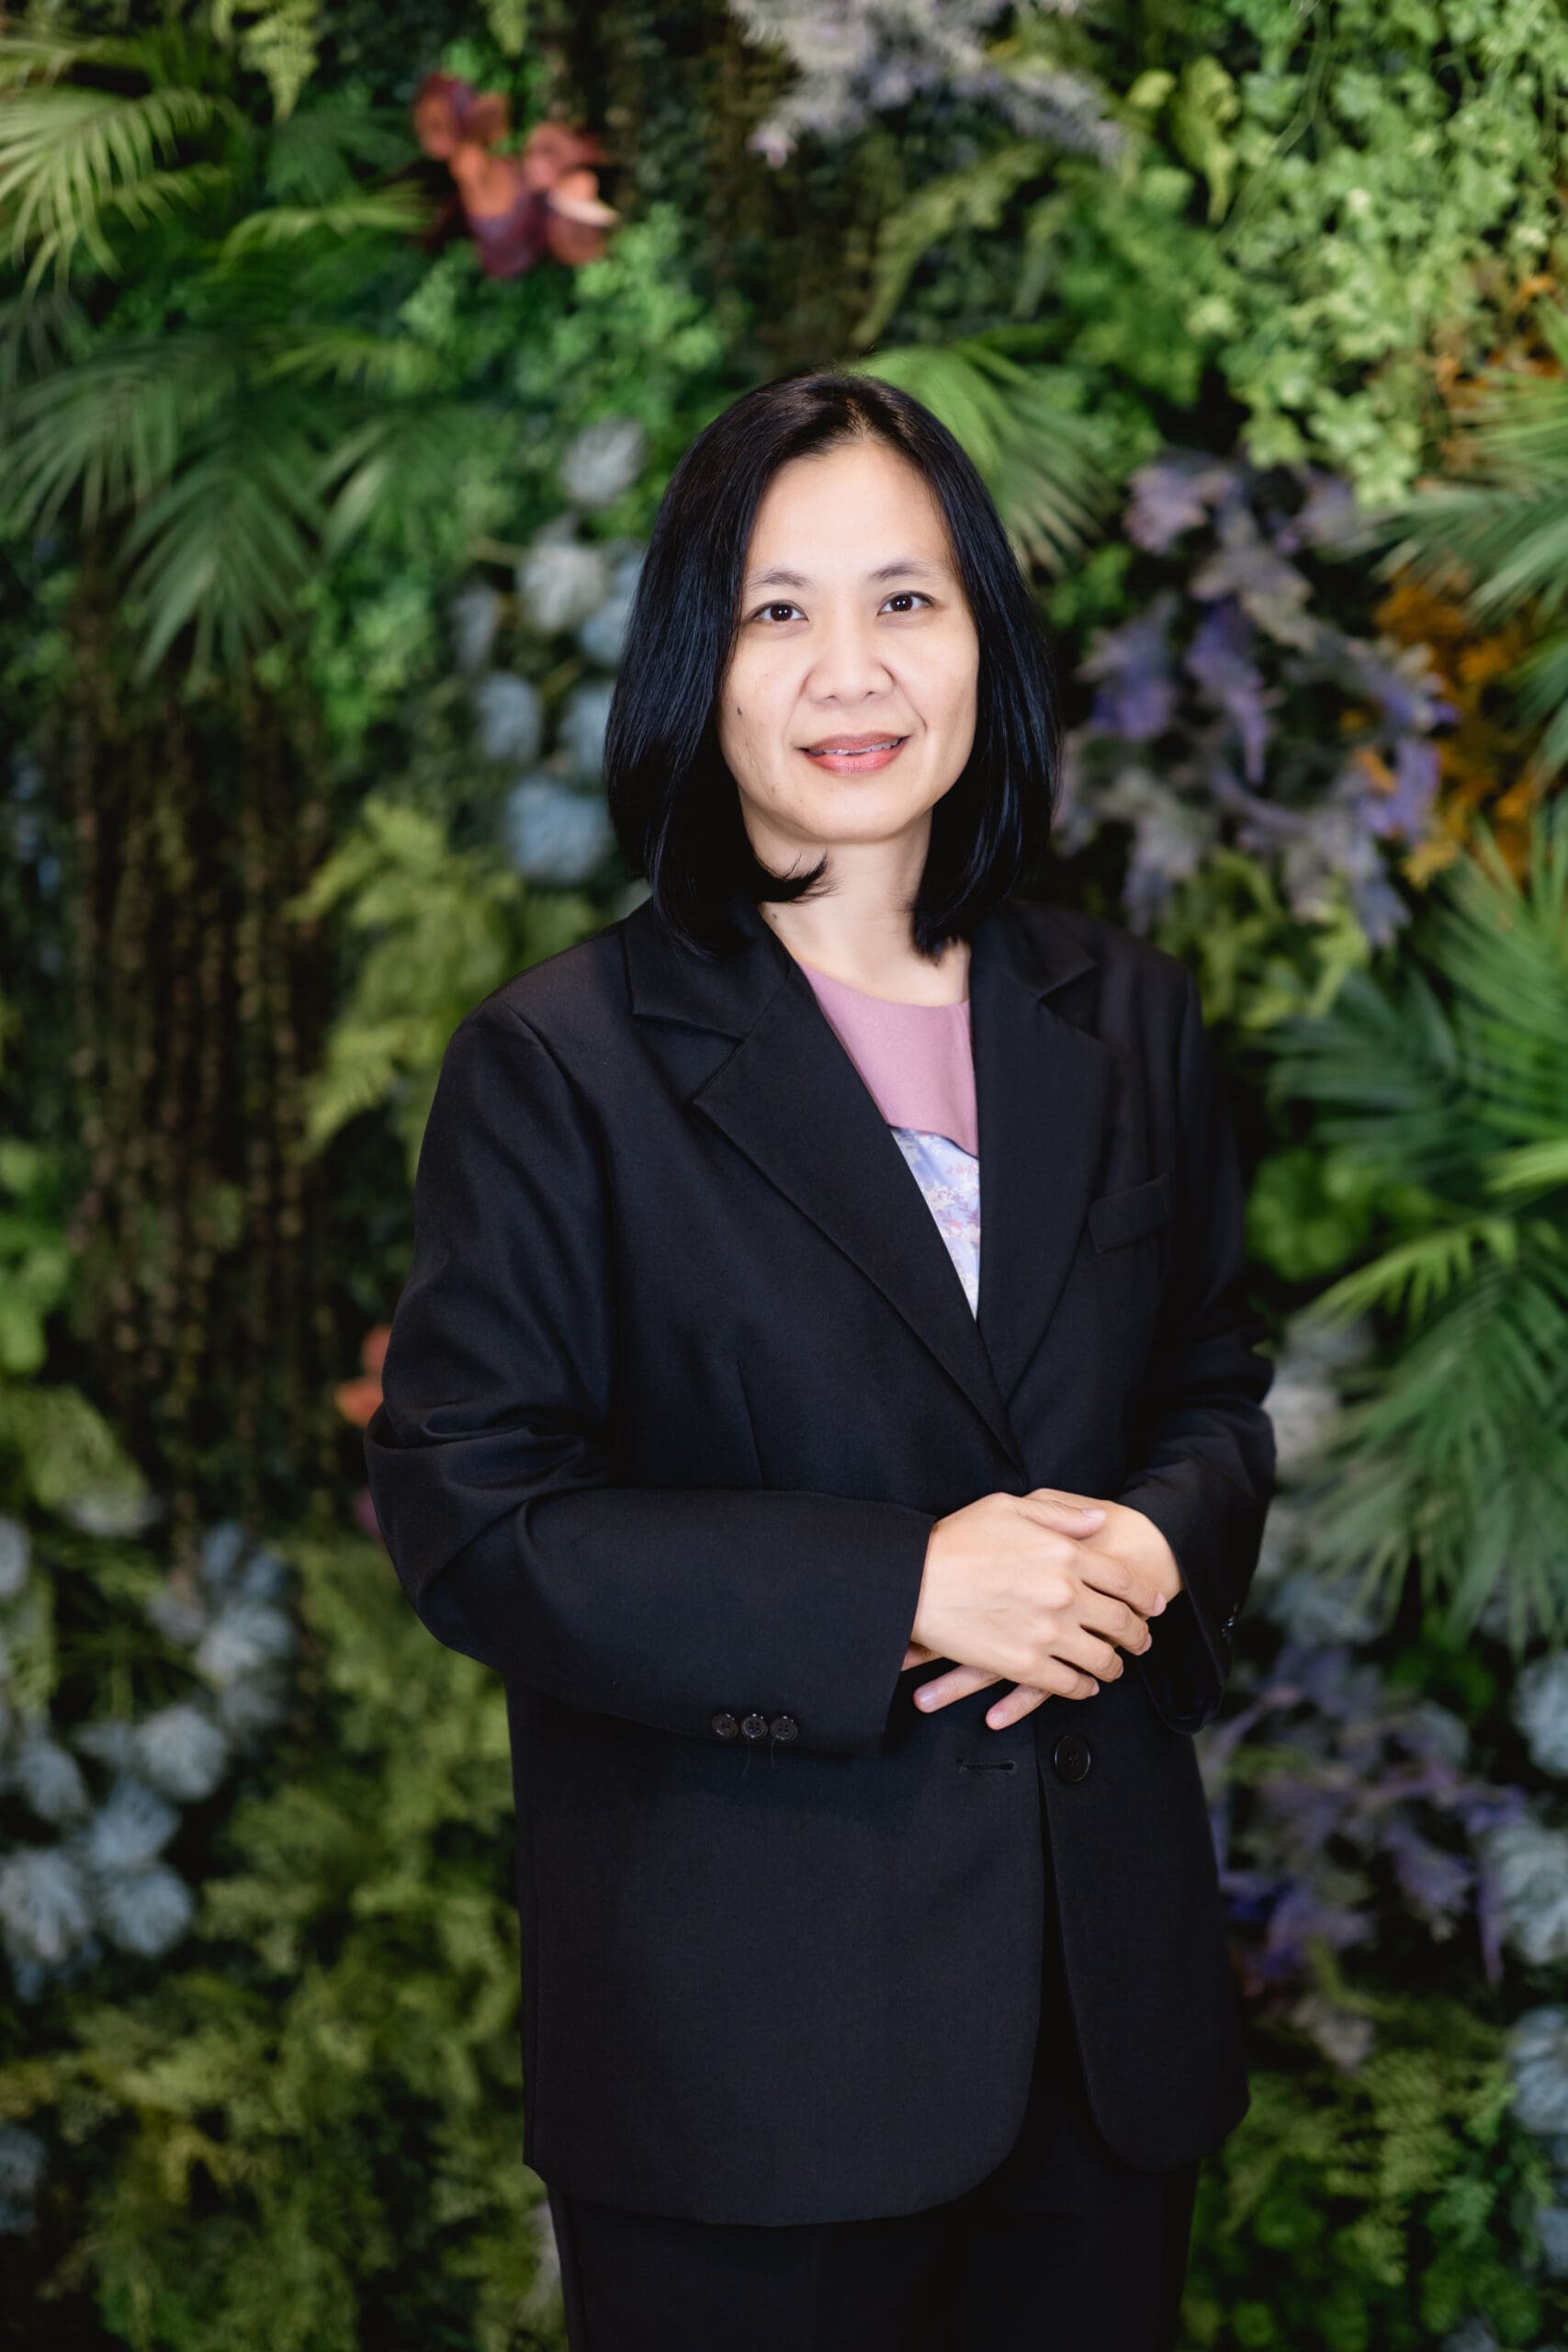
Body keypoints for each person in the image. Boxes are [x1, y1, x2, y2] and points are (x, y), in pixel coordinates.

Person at [363, 369, 1277, 2350]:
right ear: (695, 664)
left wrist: (1155, 1539)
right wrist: (901, 1589)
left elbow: (1212, 1376)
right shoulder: (561, 1064)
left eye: (904, 600)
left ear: (982, 642)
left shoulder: (1122, 1014)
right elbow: (474, 1515)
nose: (850, 670)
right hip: (749, 2066)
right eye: (779, 610)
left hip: (1099, 2043)